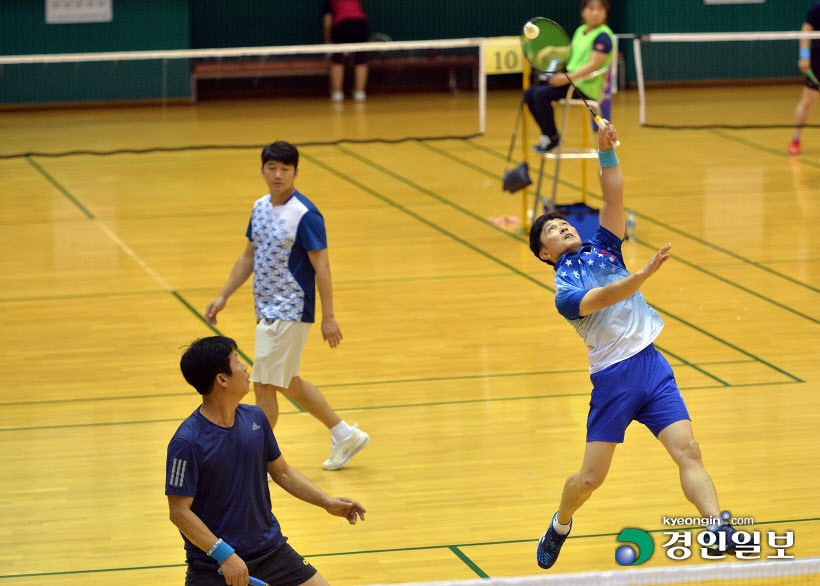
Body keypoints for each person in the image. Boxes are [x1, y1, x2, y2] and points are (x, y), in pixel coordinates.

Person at [528, 120, 740, 569]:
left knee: (689, 451)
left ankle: (717, 526)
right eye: (552, 231)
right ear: (544, 254)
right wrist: (639, 278)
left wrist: (607, 151)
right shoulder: (564, 290)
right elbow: (602, 298)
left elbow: (612, 198)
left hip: (652, 365)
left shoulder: (605, 247)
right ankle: (560, 523)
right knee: (589, 480)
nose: (563, 228)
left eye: (565, 223)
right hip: (614, 381)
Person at [205, 141, 369, 472]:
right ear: (263, 170)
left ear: (295, 172)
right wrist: (223, 295)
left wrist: (329, 317)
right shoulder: (260, 207)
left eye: (285, 169)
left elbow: (322, 266)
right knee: (286, 382)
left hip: (292, 309)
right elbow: (248, 256)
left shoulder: (305, 214)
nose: (278, 175)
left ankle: (255, 461)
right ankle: (344, 434)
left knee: (264, 383)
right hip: (265, 309)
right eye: (272, 168)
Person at [166, 336, 366, 586]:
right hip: (215, 564)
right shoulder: (187, 441)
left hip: (271, 552)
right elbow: (179, 512)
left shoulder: (255, 418)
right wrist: (224, 555)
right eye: (237, 361)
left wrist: (327, 502)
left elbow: (282, 472)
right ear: (222, 379)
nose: (245, 367)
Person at [524, 0, 614, 153]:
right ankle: (548, 135)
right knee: (529, 93)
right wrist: (551, 50)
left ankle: (553, 138)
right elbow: (571, 53)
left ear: (605, 13)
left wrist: (566, 78)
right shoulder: (581, 31)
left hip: (585, 87)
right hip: (572, 81)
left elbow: (593, 65)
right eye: (591, 9)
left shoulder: (603, 36)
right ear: (583, 12)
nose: (595, 13)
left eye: (600, 9)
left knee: (540, 95)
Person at [789, 1, 820, 155]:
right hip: (818, 61)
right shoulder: (818, 7)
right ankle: (795, 139)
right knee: (808, 101)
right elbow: (806, 29)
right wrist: (804, 56)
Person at [323, 0, 369, 102]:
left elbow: (327, 21)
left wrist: (327, 39)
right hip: (360, 24)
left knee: (337, 59)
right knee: (360, 59)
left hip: (342, 24)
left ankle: (337, 93)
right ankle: (360, 93)